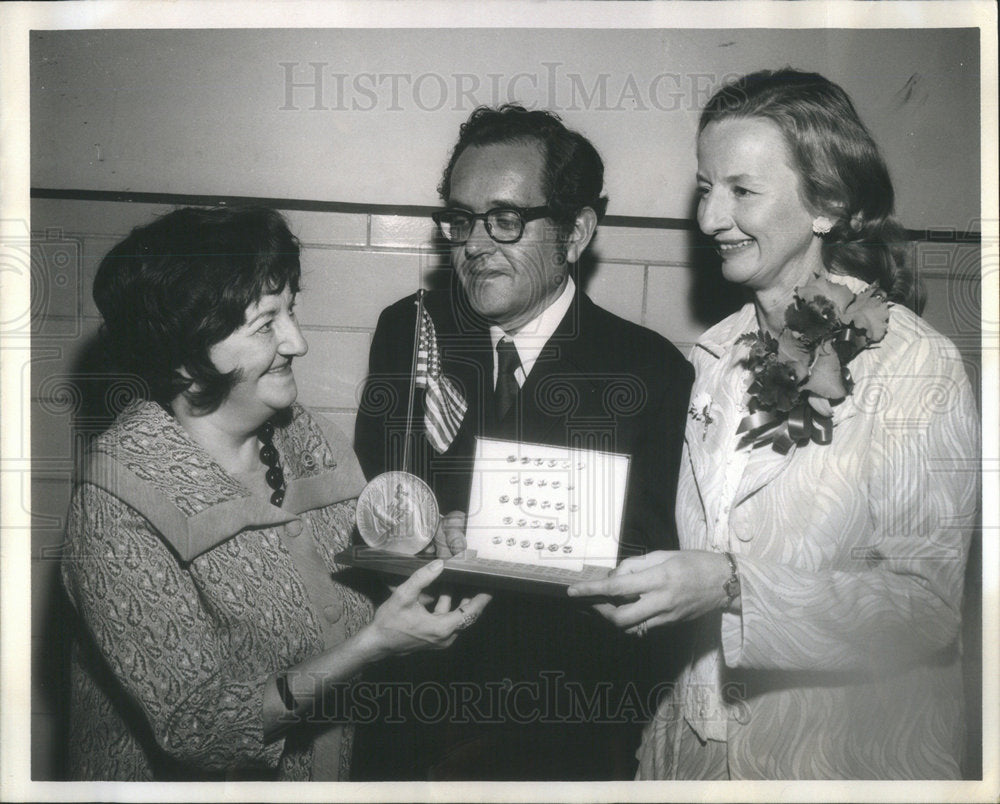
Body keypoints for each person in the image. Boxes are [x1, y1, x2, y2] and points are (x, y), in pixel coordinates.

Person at [569, 69, 979, 779]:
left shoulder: (917, 367)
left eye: (741, 191)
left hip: (841, 766)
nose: (709, 219)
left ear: (826, 203)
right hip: (689, 760)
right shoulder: (709, 359)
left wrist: (733, 586)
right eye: (705, 188)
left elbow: (926, 609)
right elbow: (679, 547)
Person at [60, 206, 490, 781]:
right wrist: (373, 645)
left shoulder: (303, 434)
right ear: (186, 358)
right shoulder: (116, 502)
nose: (298, 341)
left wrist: (427, 558)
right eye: (266, 324)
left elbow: (360, 567)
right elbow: (201, 729)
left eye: (292, 310)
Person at [353, 104, 693, 779]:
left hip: (561, 730)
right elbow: (379, 497)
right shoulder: (408, 332)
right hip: (414, 717)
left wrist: (496, 533)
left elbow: (654, 562)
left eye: (505, 219)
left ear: (576, 232)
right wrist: (423, 534)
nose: (474, 244)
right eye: (460, 220)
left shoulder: (649, 370)